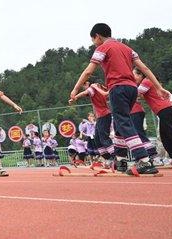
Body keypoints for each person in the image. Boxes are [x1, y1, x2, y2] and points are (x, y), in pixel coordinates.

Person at [70, 23, 165, 175]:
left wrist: (75, 89)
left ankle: (144, 161)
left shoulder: (102, 48)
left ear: (98, 36)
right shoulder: (127, 49)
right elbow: (144, 68)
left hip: (118, 88)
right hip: (132, 88)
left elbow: (88, 72)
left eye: (93, 40)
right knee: (120, 122)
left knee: (123, 122)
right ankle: (121, 160)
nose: (94, 43)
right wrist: (158, 87)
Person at [70, 83, 114, 166]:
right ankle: (108, 158)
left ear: (88, 83)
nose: (83, 87)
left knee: (103, 138)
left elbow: (85, 92)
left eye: (84, 85)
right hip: (102, 116)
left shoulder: (93, 87)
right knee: (97, 139)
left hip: (103, 115)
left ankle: (116, 157)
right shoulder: (98, 88)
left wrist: (75, 97)